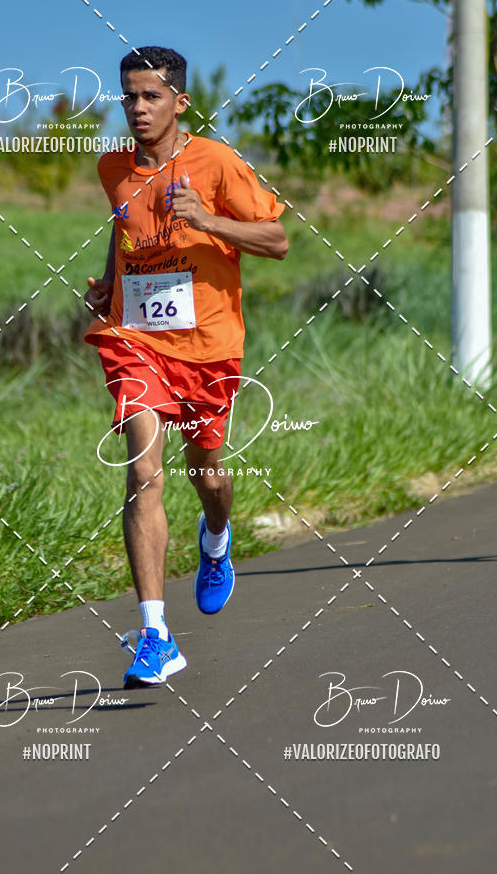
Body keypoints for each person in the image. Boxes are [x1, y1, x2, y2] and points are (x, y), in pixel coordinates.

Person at [83, 46, 288, 689]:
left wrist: (206, 218)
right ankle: (155, 634)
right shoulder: (112, 168)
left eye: (151, 96)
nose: (138, 108)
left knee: (208, 473)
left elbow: (277, 241)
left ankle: (217, 536)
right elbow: (124, 228)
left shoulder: (217, 162)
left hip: (209, 346)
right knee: (143, 472)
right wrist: (110, 285)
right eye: (129, 96)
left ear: (180, 101)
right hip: (134, 339)